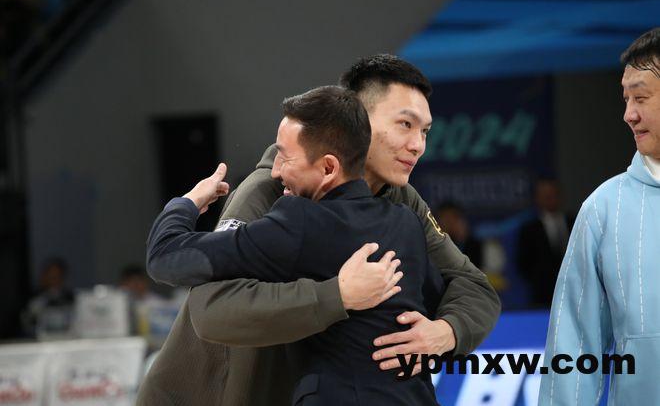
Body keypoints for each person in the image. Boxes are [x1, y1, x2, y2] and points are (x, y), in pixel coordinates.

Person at [138, 54, 500, 405]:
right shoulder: (271, 190)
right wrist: (337, 295)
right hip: (203, 395)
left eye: (425, 131)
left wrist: (447, 332)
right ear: (356, 121)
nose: (418, 145)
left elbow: (472, 285)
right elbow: (212, 309)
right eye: (405, 125)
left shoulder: (402, 201)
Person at [538, 28, 660, 405]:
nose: (628, 114)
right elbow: (573, 348)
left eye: (640, 97)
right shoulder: (604, 209)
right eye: (626, 99)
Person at [517, 179, 574, 308]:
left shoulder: (574, 222)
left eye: (552, 194)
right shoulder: (529, 229)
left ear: (560, 196)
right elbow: (523, 264)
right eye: (545, 195)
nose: (549, 198)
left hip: (573, 290)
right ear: (537, 199)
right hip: (543, 296)